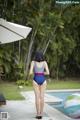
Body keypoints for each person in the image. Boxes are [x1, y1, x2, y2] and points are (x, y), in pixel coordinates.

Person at [29, 51, 49, 119]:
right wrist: (42, 73)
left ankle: (38, 114)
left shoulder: (33, 62)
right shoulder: (45, 62)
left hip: (36, 80)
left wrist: (36, 72)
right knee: (42, 97)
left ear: (36, 56)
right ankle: (42, 113)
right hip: (43, 80)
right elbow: (48, 73)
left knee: (37, 97)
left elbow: (30, 73)